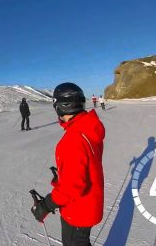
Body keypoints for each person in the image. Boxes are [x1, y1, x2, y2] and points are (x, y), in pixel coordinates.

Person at [31, 82, 105, 246]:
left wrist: (45, 205)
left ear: (59, 107)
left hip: (78, 210)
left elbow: (72, 187)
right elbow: (84, 165)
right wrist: (65, 174)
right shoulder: (88, 128)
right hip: (89, 204)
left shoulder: (72, 139)